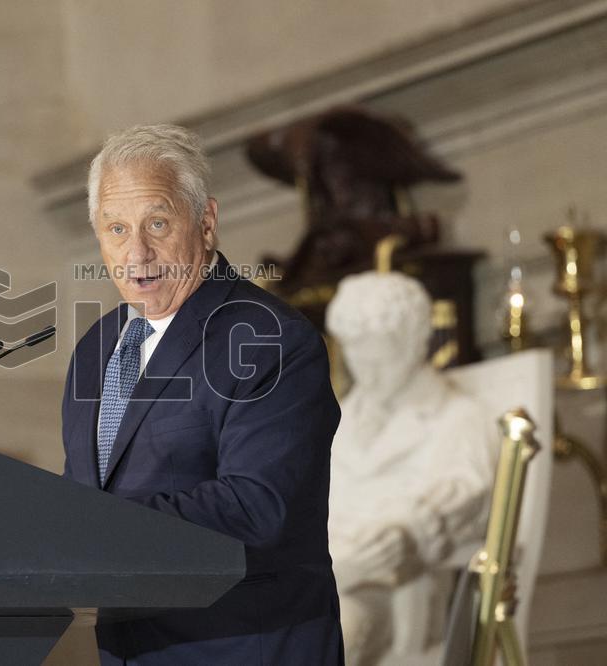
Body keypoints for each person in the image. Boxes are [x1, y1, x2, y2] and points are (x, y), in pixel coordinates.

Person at [61, 124, 343, 665]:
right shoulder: (96, 352)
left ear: (206, 223)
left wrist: (90, 527)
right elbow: (82, 496)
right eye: (115, 228)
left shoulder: (267, 338)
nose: (136, 252)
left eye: (158, 223)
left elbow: (258, 507)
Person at [325, 271, 496, 663]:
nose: (366, 369)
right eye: (355, 351)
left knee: (321, 634)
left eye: (379, 353)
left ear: (416, 341)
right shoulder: (339, 420)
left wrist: (409, 528)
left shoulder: (458, 417)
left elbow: (466, 491)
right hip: (321, 572)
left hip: (393, 592)